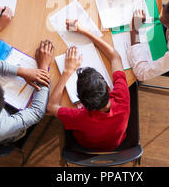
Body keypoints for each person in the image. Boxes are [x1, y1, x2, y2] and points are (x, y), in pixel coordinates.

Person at [47, 19, 130, 151]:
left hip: (84, 145)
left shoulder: (79, 117)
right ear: (107, 88)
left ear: (82, 103)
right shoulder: (122, 98)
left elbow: (51, 107)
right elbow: (115, 57)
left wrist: (67, 71)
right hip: (116, 143)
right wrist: (85, 31)